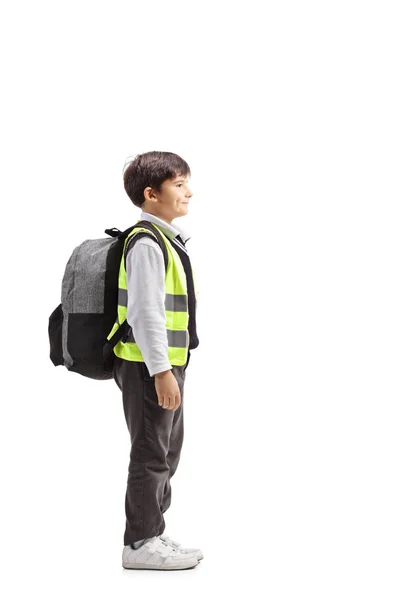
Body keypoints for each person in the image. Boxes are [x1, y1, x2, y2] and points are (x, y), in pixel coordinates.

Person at [112, 151, 203, 570]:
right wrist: (162, 371)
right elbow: (145, 312)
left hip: (162, 365)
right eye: (179, 184)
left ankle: (153, 532)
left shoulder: (164, 239)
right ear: (151, 194)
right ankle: (139, 545)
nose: (188, 191)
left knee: (166, 451)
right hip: (150, 366)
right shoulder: (147, 243)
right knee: (151, 453)